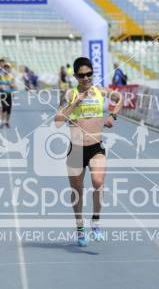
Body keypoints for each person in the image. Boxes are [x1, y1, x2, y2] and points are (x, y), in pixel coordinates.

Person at [54, 57, 123, 247]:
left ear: (93, 74)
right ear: (76, 76)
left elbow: (120, 98)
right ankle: (79, 228)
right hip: (75, 149)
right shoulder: (69, 94)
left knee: (98, 183)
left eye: (89, 74)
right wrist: (76, 103)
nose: (86, 78)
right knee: (77, 191)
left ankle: (95, 222)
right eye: (82, 75)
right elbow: (58, 121)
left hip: (95, 146)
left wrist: (113, 116)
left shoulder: (101, 91)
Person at [0, 62, 16, 128]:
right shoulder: (1, 75)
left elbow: (14, 85)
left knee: (9, 109)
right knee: (4, 108)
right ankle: (2, 121)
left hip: (10, 94)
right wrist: (0, 86)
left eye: (7, 67)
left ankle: (7, 121)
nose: (6, 69)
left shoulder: (12, 76)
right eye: (5, 67)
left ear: (9, 69)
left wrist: (12, 85)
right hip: (3, 94)